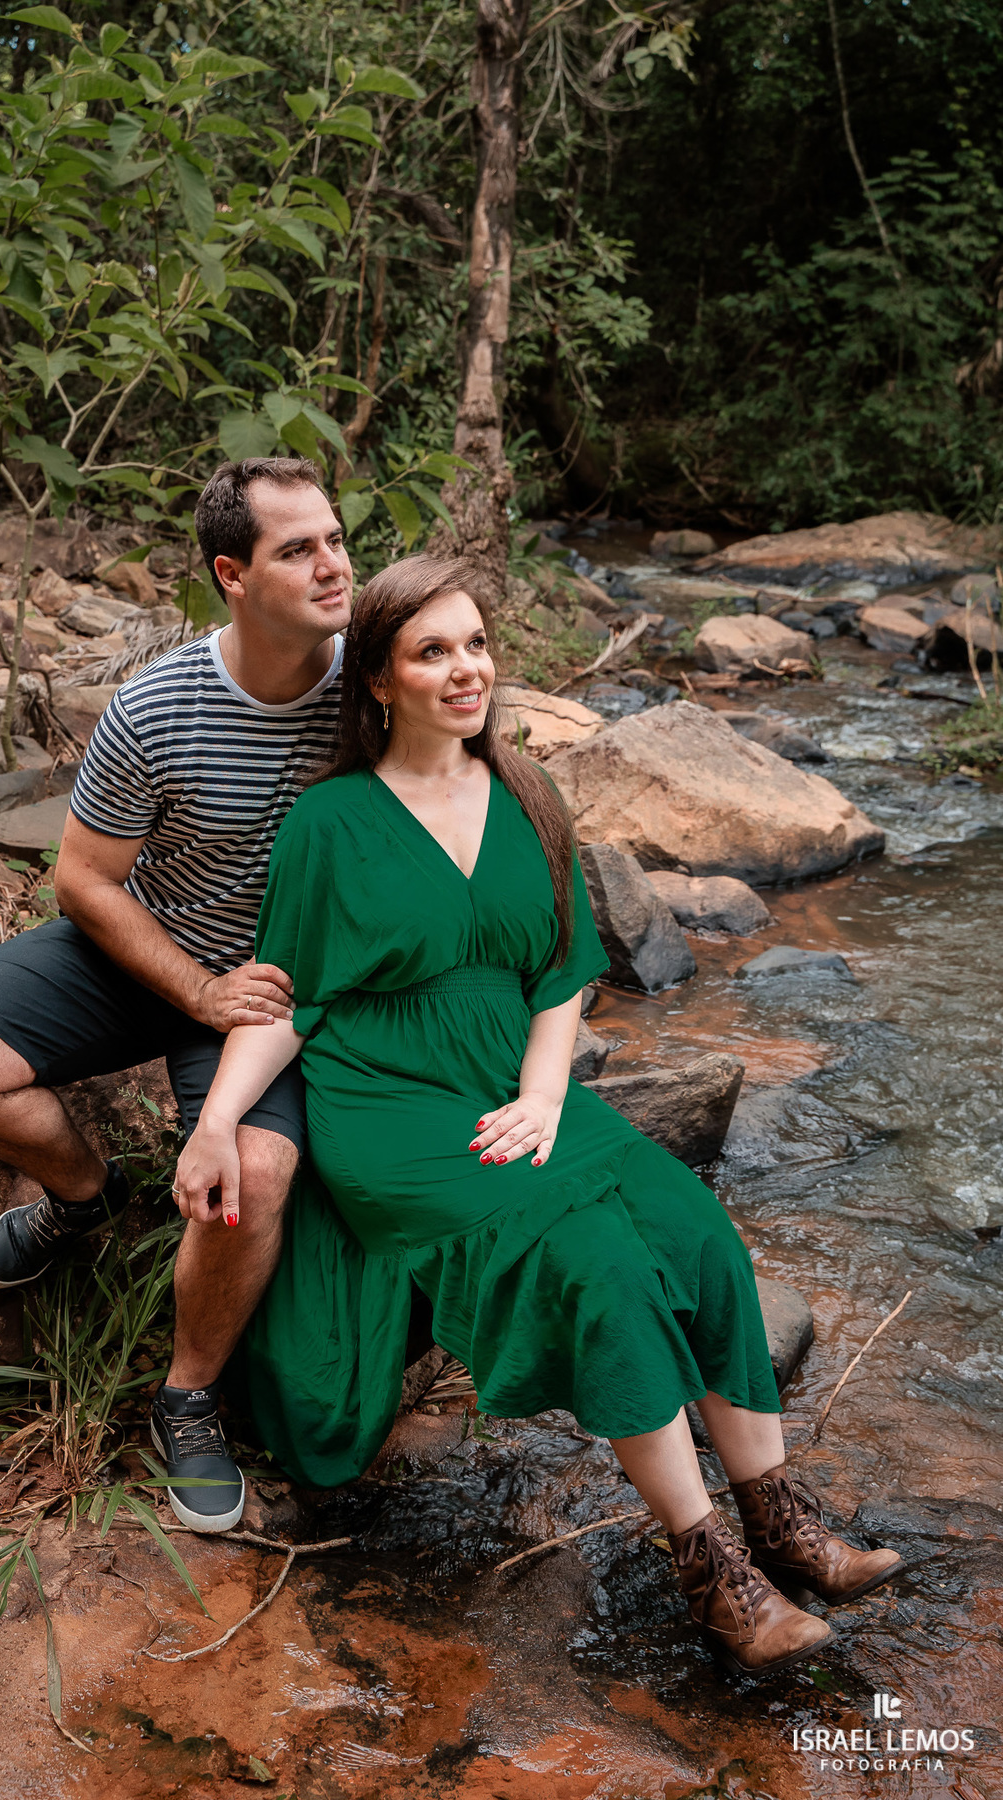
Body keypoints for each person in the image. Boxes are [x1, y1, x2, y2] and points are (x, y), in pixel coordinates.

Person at [173, 554, 904, 1676]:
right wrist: (219, 1119)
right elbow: (290, 997)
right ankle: (710, 1571)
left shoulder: (529, 793)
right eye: (432, 651)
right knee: (591, 1259)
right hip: (389, 1108)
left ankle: (781, 1517)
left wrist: (546, 1091)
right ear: (377, 679)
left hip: (513, 1087)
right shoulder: (330, 821)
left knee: (698, 1230)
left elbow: (561, 976)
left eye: (474, 644)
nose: (465, 670)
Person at [0, 456, 353, 1535]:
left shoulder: (367, 690)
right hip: (147, 955)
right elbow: (84, 880)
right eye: (300, 549)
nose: (333, 564)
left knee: (252, 1173)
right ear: (232, 575)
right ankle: (80, 1197)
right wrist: (195, 988)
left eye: (336, 538)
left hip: (275, 995)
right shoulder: (159, 707)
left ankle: (186, 1395)